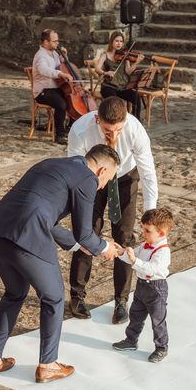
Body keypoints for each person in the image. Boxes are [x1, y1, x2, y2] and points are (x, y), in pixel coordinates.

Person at [0, 145, 121, 383]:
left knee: (15, 293)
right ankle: (48, 365)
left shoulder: (51, 164)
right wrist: (104, 248)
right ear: (101, 170)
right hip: (27, 236)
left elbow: (48, 218)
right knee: (53, 297)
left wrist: (78, 246)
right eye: (107, 179)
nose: (104, 186)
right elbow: (85, 233)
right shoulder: (87, 178)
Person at [68, 96, 158, 324]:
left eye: (118, 130)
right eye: (108, 131)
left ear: (125, 120)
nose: (113, 136)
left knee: (125, 238)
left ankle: (121, 301)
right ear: (97, 119)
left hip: (126, 177)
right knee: (87, 234)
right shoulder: (80, 130)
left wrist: (151, 214)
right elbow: (74, 171)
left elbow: (148, 174)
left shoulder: (135, 130)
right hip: (92, 179)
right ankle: (77, 296)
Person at [112, 207, 174, 363]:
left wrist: (134, 261)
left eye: (147, 231)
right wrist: (122, 253)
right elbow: (132, 257)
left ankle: (161, 348)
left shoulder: (163, 252)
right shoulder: (145, 245)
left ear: (161, 233)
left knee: (157, 320)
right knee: (135, 315)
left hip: (156, 288)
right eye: (143, 229)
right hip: (141, 287)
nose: (143, 234)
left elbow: (153, 269)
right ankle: (131, 340)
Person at [32, 29, 73, 145]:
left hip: (55, 89)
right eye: (55, 41)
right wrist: (60, 74)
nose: (57, 43)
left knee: (72, 100)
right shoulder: (40, 56)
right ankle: (59, 135)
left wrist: (64, 57)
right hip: (43, 92)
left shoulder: (54, 54)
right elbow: (44, 70)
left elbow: (61, 66)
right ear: (45, 42)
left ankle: (70, 127)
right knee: (61, 104)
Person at [95, 31, 144, 120]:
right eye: (116, 41)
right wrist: (105, 73)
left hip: (122, 87)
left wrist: (137, 62)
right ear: (111, 42)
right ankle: (114, 121)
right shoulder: (105, 55)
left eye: (121, 41)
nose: (119, 43)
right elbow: (97, 69)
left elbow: (128, 72)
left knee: (136, 98)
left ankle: (136, 121)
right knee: (114, 102)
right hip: (108, 86)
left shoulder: (124, 55)